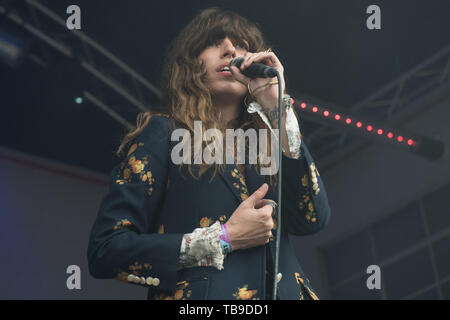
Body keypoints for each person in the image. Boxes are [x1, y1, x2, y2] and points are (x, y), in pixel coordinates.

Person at [87, 7, 331, 300]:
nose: (230, 50)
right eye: (214, 42)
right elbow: (106, 249)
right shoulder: (163, 134)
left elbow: (313, 218)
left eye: (241, 45)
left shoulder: (269, 140)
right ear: (191, 63)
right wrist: (224, 239)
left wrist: (277, 110)